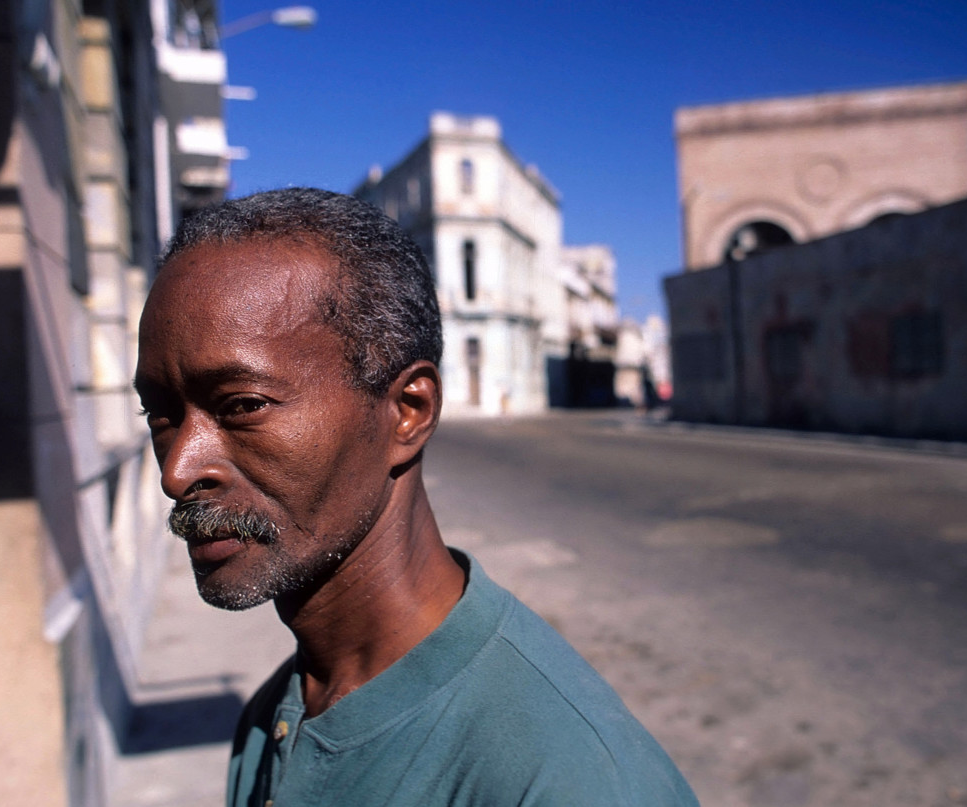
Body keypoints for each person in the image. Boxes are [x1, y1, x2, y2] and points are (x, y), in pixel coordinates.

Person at [134, 188, 699, 806]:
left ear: (408, 412)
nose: (178, 472)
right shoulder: (275, 718)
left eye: (241, 406)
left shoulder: (567, 781)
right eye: (160, 415)